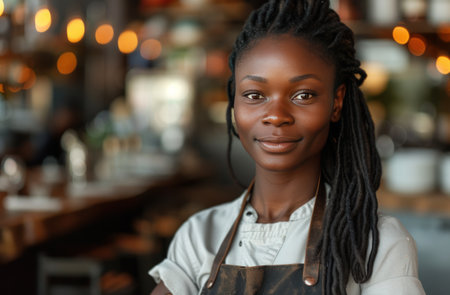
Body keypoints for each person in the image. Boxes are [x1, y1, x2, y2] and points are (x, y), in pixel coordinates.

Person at [149, 0, 426, 294]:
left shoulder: (376, 243)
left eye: (303, 95)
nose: (276, 116)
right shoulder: (199, 237)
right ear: (234, 103)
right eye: (255, 95)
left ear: (336, 102)